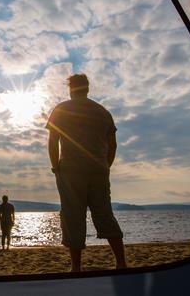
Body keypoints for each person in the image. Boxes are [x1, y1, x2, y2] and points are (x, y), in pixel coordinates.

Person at [46, 74, 126, 272]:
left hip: (71, 171)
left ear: (70, 89)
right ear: (87, 89)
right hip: (99, 169)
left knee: (73, 217)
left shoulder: (61, 109)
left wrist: (56, 167)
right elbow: (113, 146)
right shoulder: (103, 112)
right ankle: (121, 263)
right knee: (105, 214)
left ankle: (76, 268)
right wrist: (105, 166)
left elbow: (53, 141)